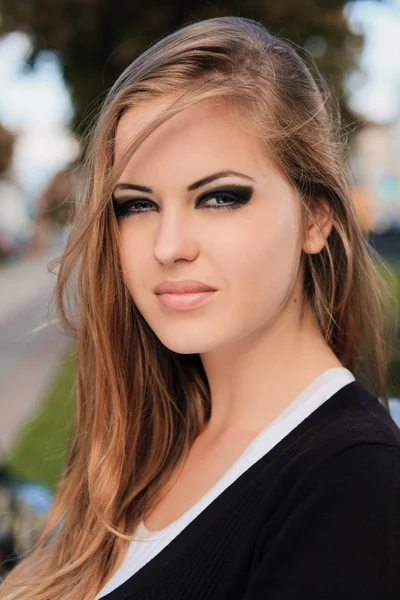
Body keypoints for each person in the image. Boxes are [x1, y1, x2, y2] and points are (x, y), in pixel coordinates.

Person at [1, 15, 399, 600]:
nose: (168, 246)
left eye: (219, 197)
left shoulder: (356, 487)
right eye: (136, 206)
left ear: (317, 217)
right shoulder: (151, 440)